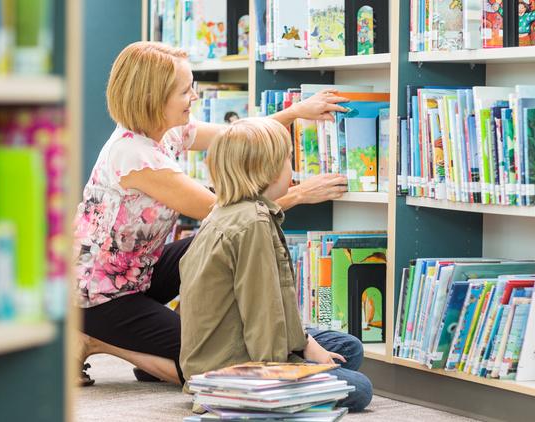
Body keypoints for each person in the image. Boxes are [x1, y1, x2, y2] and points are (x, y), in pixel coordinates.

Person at [75, 41, 349, 386]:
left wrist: (294, 112)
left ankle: (151, 339)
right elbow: (227, 215)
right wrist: (299, 194)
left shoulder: (167, 131)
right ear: (152, 99)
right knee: (205, 364)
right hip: (99, 295)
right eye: (185, 90)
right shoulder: (135, 156)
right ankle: (98, 340)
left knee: (204, 246)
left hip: (138, 270)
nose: (194, 97)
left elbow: (239, 138)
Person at [178, 118, 372, 412]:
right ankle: (241, 398)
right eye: (288, 160)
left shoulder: (227, 211)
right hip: (233, 369)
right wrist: (284, 372)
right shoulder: (252, 223)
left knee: (348, 348)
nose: (292, 169)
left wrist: (305, 342)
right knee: (360, 389)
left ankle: (288, 369)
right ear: (267, 171)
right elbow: (262, 312)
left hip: (219, 350)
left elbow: (271, 304)